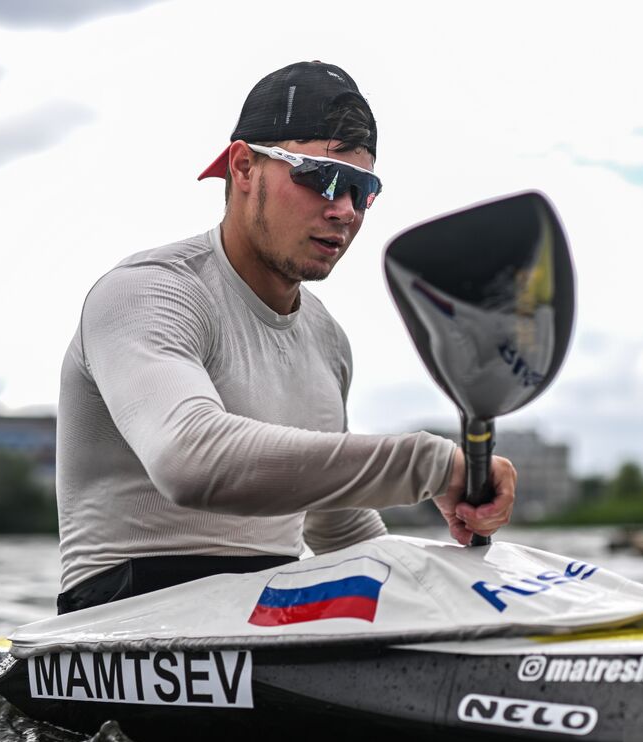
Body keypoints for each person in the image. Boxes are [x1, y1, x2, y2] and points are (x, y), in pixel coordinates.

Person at [55, 61, 516, 614]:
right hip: (126, 617)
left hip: (267, 613)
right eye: (320, 176)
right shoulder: (147, 294)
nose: (343, 209)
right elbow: (191, 461)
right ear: (245, 167)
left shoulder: (328, 339)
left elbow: (337, 522)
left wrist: (456, 584)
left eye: (361, 189)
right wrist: (432, 466)